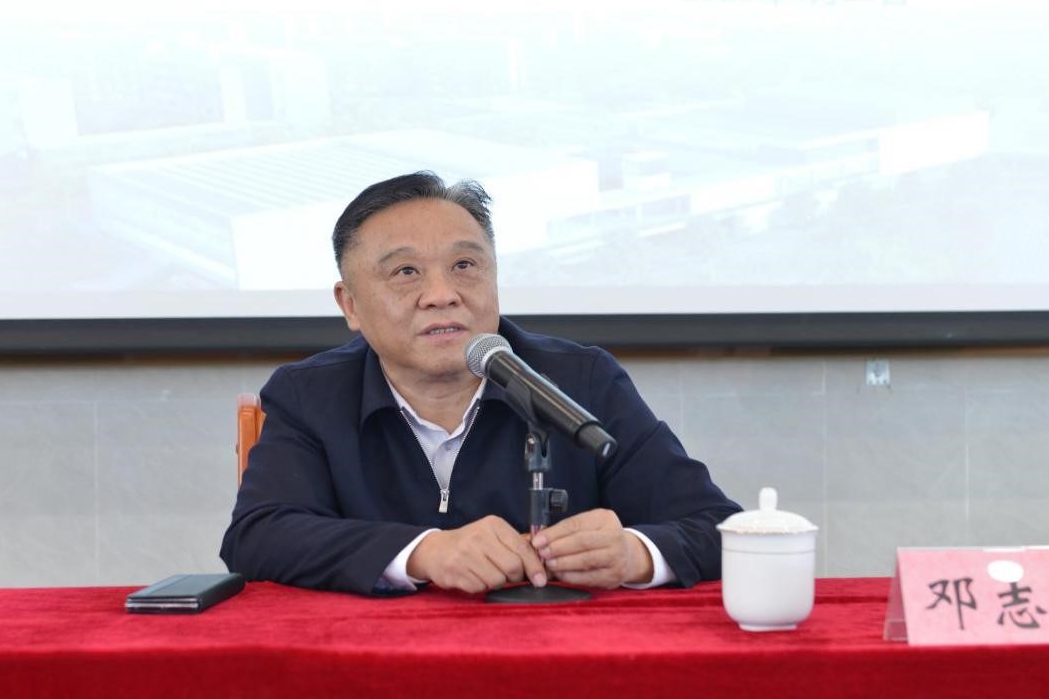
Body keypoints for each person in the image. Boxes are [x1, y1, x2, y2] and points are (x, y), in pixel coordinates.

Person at [221, 171, 740, 595]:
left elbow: (718, 527)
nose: (442, 294)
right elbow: (257, 536)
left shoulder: (580, 380)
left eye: (464, 265)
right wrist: (423, 552)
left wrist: (634, 553)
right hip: (375, 663)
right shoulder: (309, 395)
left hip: (552, 657)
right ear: (350, 305)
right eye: (405, 272)